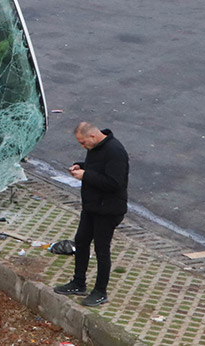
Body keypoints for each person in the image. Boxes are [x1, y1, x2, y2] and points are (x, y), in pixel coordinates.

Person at [54, 122, 129, 307]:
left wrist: (85, 175)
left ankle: (100, 291)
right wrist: (80, 166)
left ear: (93, 137)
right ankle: (79, 282)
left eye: (83, 142)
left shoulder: (115, 152)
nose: (82, 146)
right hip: (92, 206)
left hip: (108, 209)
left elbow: (114, 182)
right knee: (81, 241)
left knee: (101, 250)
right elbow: (97, 168)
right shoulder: (96, 147)